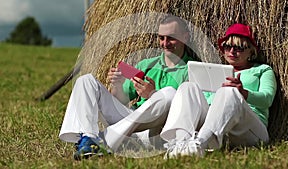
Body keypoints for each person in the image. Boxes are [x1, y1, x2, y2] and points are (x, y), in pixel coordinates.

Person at [59, 15, 197, 160]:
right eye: (161, 38)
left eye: (171, 38)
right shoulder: (146, 64)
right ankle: (89, 137)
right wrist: (117, 85)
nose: (165, 43)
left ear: (185, 37)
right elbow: (120, 101)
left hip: (155, 133)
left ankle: (103, 141)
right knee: (85, 80)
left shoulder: (192, 70)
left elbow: (189, 113)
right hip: (131, 123)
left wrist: (153, 95)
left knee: (168, 94)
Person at [160, 23, 277, 158]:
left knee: (229, 92)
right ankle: (181, 143)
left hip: (250, 131)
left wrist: (243, 93)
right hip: (217, 128)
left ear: (251, 51)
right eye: (228, 47)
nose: (232, 51)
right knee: (188, 87)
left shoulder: (262, 70)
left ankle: (199, 144)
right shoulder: (216, 71)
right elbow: (205, 101)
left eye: (239, 47)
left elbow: (267, 99)